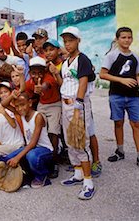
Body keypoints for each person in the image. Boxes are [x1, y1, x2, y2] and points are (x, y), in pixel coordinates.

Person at [99, 27, 139, 173]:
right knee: (118, 123)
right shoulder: (111, 56)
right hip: (116, 95)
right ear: (117, 39)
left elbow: (136, 75)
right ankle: (120, 151)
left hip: (133, 96)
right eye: (123, 37)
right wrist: (121, 80)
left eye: (129, 37)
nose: (126, 40)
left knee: (136, 124)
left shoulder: (136, 57)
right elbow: (103, 74)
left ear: (132, 39)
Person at [59, 26, 97, 200]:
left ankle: (88, 182)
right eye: (65, 41)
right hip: (65, 103)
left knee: (81, 141)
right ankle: (78, 174)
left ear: (78, 41)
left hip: (77, 104)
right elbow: (66, 83)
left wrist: (78, 106)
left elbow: (82, 83)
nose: (67, 44)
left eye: (71, 40)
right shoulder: (66, 62)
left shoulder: (83, 59)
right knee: (69, 141)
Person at [0, 92, 54, 188]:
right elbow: (4, 104)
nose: (20, 109)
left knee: (30, 156)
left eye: (22, 105)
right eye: (17, 106)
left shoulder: (38, 117)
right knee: (7, 158)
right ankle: (25, 173)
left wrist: (17, 158)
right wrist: (12, 95)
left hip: (44, 150)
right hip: (31, 148)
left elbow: (33, 143)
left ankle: (42, 175)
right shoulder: (22, 114)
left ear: (30, 103)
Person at [25, 56, 62, 179]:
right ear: (30, 72)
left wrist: (41, 87)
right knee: (40, 131)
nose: (37, 76)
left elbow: (46, 85)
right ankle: (42, 157)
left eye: (40, 72)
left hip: (54, 105)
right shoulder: (30, 81)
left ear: (44, 72)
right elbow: (25, 92)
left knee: (53, 132)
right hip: (42, 105)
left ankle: (54, 162)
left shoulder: (48, 78)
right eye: (34, 73)